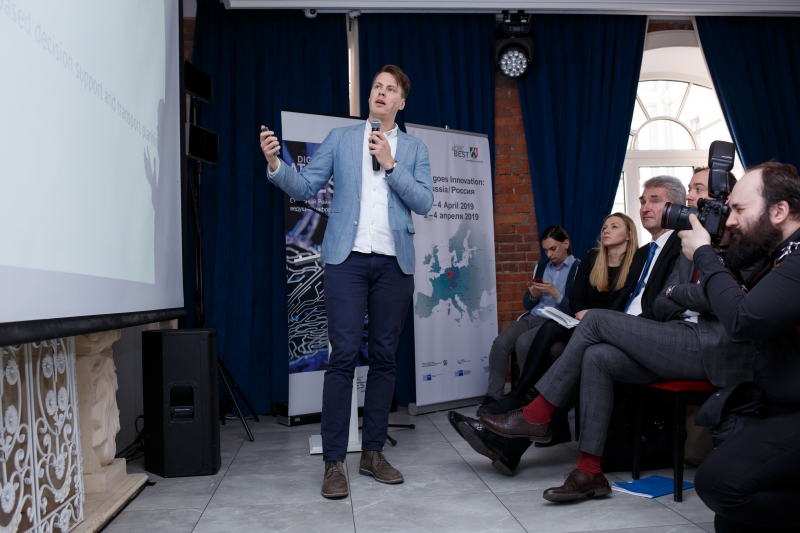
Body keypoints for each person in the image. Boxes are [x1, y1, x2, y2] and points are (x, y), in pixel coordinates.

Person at [477, 175, 755, 503]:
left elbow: (724, 298)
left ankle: (537, 414)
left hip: (710, 348)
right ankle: (589, 472)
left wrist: (682, 292)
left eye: (698, 190)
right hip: (676, 337)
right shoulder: (689, 243)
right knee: (598, 357)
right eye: (691, 190)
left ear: (725, 199)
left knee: (595, 320)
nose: (691, 197)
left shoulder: (745, 241)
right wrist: (682, 293)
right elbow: (663, 300)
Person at [259, 65, 433, 499]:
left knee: (385, 359)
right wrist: (275, 163)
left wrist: (391, 164)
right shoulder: (340, 138)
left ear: (401, 103)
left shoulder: (414, 149)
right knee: (342, 357)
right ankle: (334, 461)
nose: (380, 93)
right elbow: (305, 187)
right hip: (347, 261)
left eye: (390, 89)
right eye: (376, 86)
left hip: (394, 265)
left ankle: (372, 453)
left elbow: (424, 201)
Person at [451, 213, 638, 475]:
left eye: (614, 226)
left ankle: (516, 414)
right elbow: (576, 299)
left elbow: (624, 306)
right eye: (604, 225)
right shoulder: (593, 258)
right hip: (581, 325)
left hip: (609, 330)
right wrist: (580, 312)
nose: (606, 230)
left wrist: (594, 316)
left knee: (554, 344)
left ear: (629, 234)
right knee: (555, 348)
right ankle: (524, 430)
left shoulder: (637, 262)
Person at [680, 162, 800, 532]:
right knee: (731, 519)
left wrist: (704, 254)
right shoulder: (779, 256)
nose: (731, 220)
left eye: (740, 209)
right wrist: (718, 246)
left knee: (719, 483)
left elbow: (742, 318)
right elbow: (740, 289)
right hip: (780, 405)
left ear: (779, 211)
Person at [478, 226, 580, 415]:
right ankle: (493, 397)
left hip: (555, 323)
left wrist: (555, 294)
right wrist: (533, 295)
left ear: (566, 244)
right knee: (500, 343)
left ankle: (528, 398)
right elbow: (527, 303)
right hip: (533, 316)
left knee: (524, 343)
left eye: (553, 249)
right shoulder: (541, 266)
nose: (549, 254)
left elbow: (575, 309)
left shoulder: (578, 269)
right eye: (546, 250)